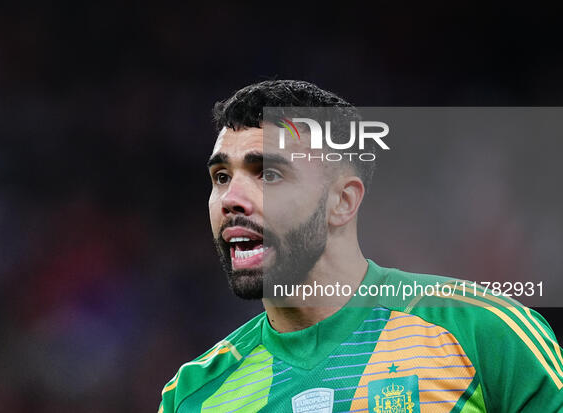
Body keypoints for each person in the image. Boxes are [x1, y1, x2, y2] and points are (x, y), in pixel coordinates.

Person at [158, 80, 563, 412]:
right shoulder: (194, 395)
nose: (230, 199)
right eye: (222, 177)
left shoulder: (484, 333)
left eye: (268, 174)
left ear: (343, 201)